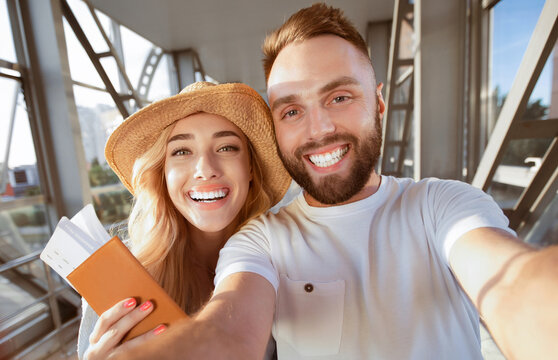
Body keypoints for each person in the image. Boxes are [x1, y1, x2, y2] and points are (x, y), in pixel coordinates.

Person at [106, 3, 558, 360]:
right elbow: (227, 331)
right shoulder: (260, 239)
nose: (318, 129)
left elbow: (510, 280)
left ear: (379, 104)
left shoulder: (443, 205)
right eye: (291, 110)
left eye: (339, 97)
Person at [76, 81, 291, 359]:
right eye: (181, 151)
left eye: (226, 147)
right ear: (161, 174)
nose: (205, 170)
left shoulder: (288, 260)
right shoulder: (116, 276)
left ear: (250, 168)